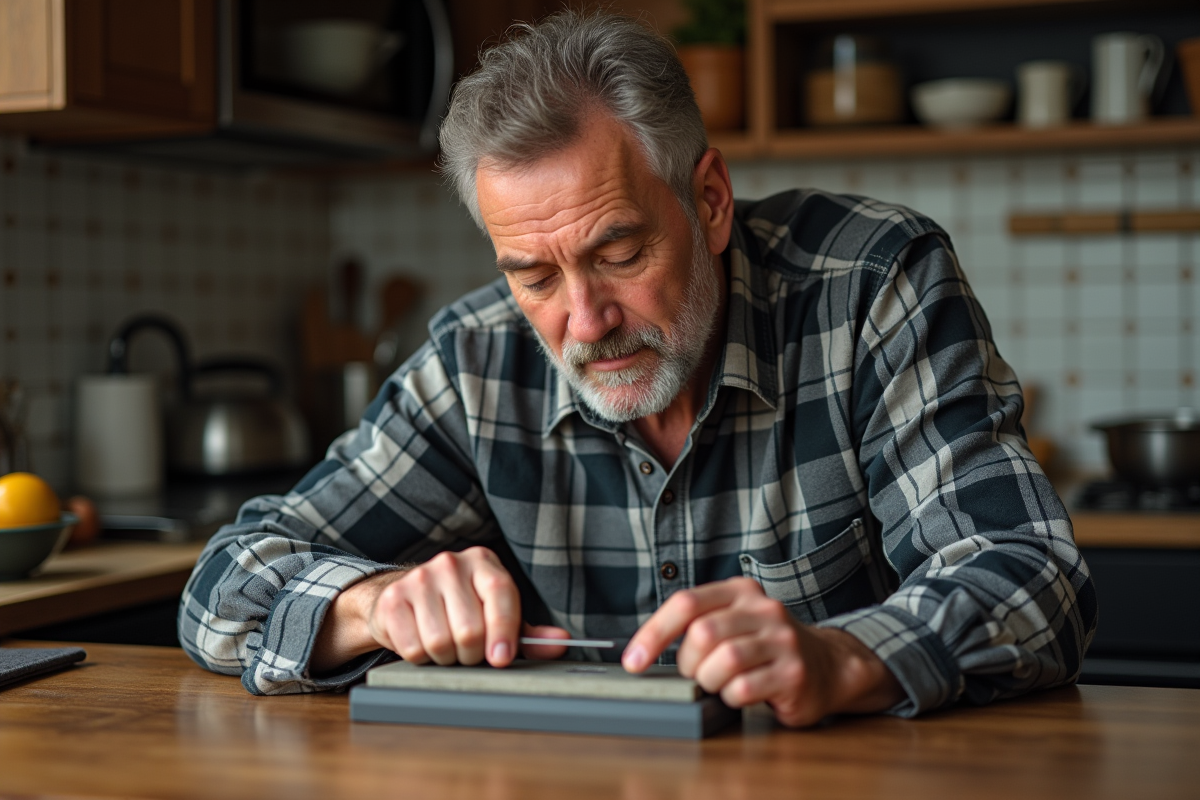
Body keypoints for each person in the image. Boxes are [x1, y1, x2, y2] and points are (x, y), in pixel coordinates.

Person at [178, 11, 1096, 726]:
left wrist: (844, 658)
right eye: (535, 276)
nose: (585, 322)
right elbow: (222, 584)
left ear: (710, 201)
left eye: (619, 254)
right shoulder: (475, 362)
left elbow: (1030, 575)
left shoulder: (869, 285)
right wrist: (373, 605)